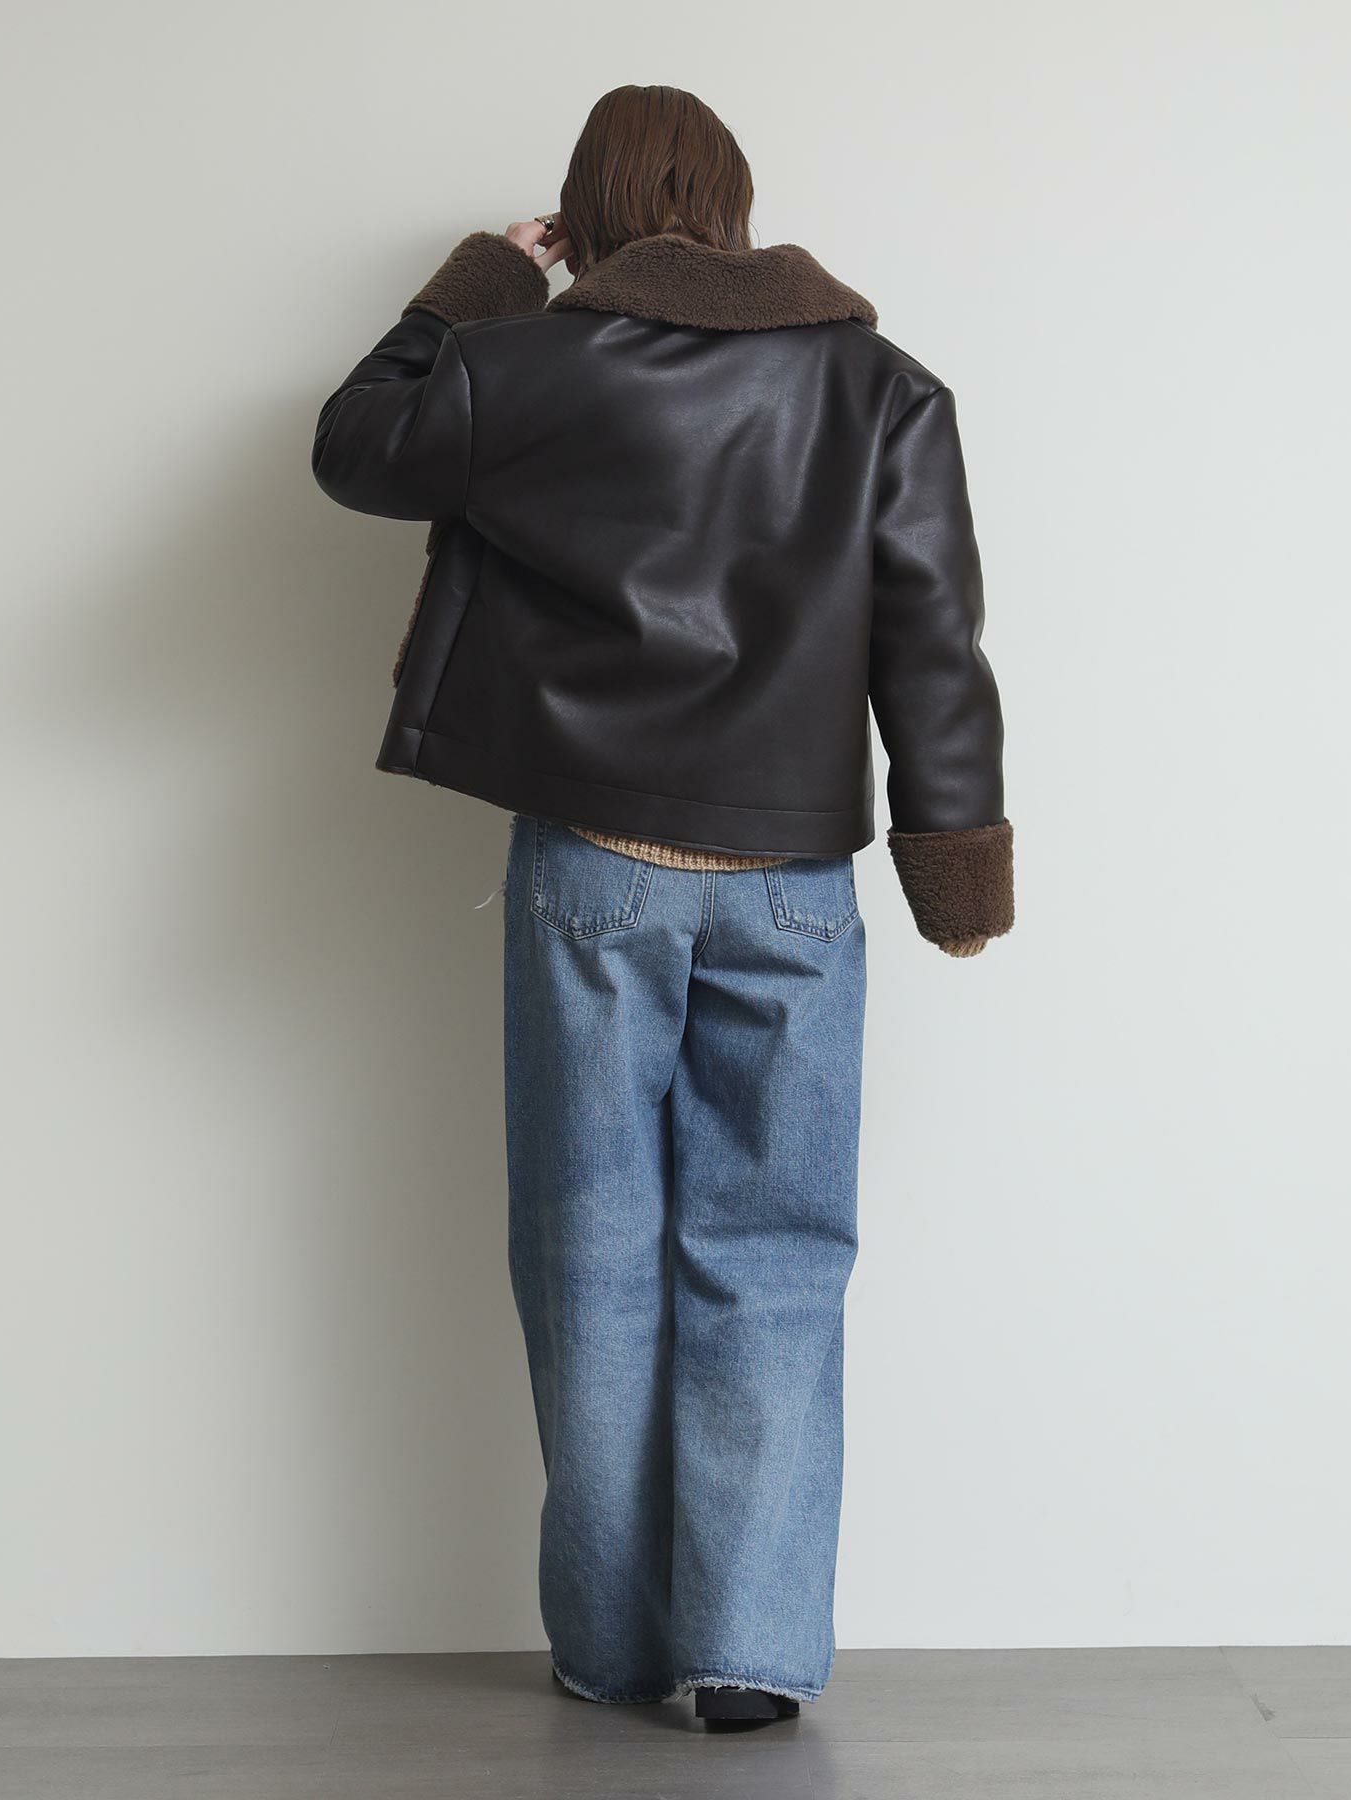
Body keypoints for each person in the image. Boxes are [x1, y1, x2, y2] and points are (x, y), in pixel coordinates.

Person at [312, 83, 1012, 1727]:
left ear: (591, 213)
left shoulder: (530, 367)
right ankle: (749, 1654)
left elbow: (356, 444)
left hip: (596, 870)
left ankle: (614, 1647)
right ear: (739, 201)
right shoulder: (882, 387)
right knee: (780, 1255)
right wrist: (955, 859)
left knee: (590, 1253)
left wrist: (486, 278)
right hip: (796, 882)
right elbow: (934, 641)